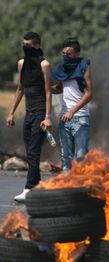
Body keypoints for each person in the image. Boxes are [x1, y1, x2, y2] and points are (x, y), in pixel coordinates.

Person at [6, 32, 52, 202]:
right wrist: (11, 112)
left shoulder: (44, 65)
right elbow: (20, 89)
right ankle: (37, 187)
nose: (26, 48)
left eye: (29, 45)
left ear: (37, 46)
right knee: (31, 151)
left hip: (40, 112)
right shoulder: (21, 63)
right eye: (24, 44)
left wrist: (47, 117)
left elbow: (48, 92)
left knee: (33, 151)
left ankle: (29, 188)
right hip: (28, 112)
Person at [51, 38, 92, 172]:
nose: (65, 57)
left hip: (80, 118)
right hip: (64, 118)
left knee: (81, 156)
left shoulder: (84, 67)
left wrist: (72, 111)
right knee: (65, 157)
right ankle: (66, 187)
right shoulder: (63, 69)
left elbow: (88, 94)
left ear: (77, 54)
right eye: (63, 54)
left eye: (68, 54)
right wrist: (47, 88)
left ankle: (81, 186)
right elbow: (59, 88)